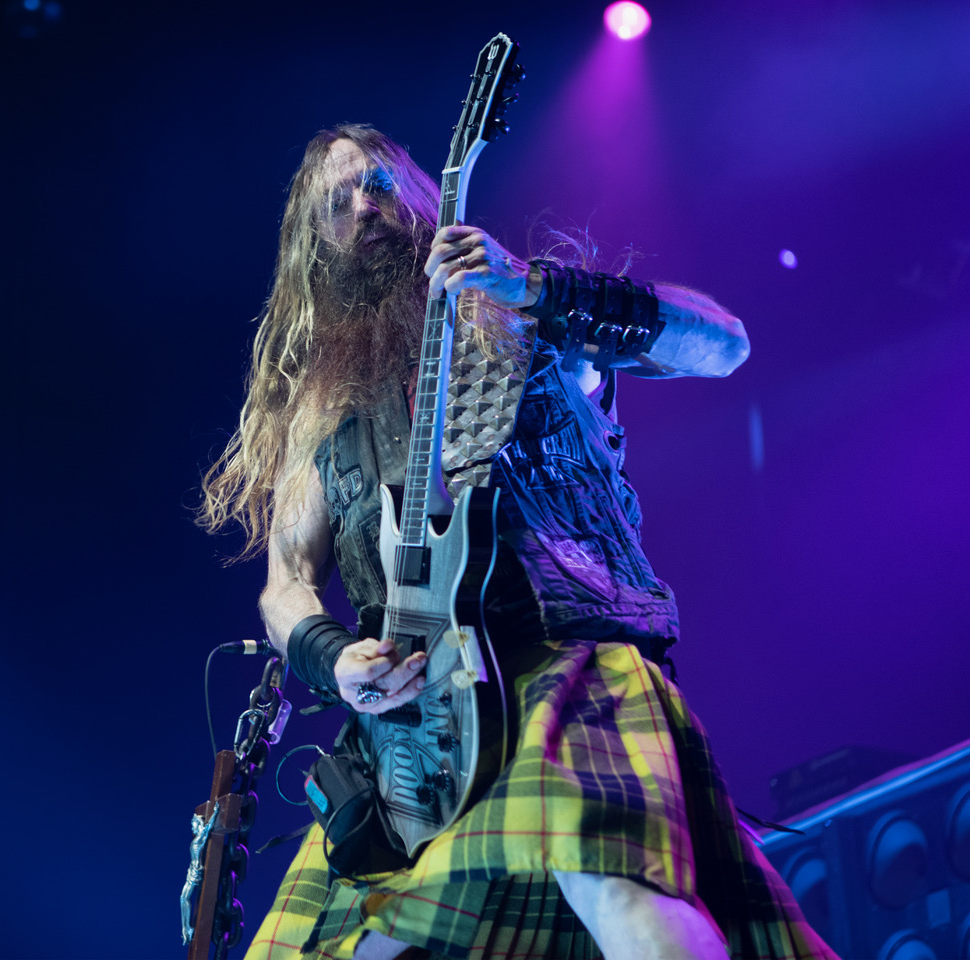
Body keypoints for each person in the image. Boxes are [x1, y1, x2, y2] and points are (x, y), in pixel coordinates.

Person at [200, 124, 836, 960]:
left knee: (614, 881)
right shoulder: (316, 407)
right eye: (339, 200)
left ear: (424, 199)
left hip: (557, 664)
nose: (366, 206)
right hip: (410, 734)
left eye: (382, 185)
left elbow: (722, 344)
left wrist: (538, 285)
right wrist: (332, 657)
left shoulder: (521, 308)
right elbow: (286, 584)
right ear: (313, 243)